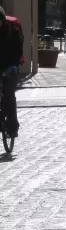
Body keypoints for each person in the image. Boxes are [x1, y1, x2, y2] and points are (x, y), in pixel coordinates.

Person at [0, 7, 23, 139]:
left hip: (10, 66)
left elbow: (18, 51)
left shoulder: (12, 31)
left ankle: (12, 127)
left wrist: (13, 66)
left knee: (8, 94)